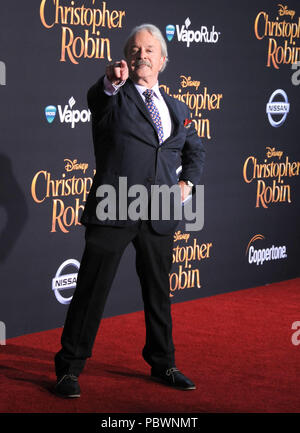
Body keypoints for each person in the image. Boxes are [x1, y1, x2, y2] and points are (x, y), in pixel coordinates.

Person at [54, 23, 205, 398]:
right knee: (91, 291)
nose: (142, 56)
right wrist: (109, 82)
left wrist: (187, 184)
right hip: (114, 207)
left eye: (150, 50)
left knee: (158, 293)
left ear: (163, 61)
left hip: (160, 212)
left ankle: (163, 362)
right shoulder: (114, 97)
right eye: (135, 50)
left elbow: (194, 151)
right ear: (125, 59)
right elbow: (99, 96)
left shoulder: (178, 108)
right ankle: (68, 369)